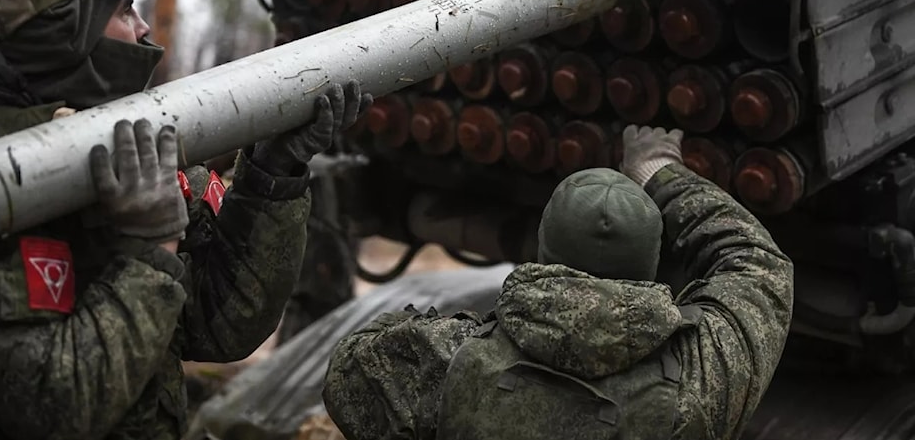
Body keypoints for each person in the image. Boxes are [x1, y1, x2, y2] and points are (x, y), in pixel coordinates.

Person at [0, 0, 371, 440]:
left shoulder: (129, 147)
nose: (144, 32)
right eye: (124, 9)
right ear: (70, 36)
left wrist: (271, 175)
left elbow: (223, 326)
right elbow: (58, 408)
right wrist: (150, 250)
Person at [322, 125, 794, 440]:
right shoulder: (705, 380)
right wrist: (660, 173)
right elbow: (756, 260)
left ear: (543, 245)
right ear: (653, 262)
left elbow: (346, 377)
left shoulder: (443, 361)